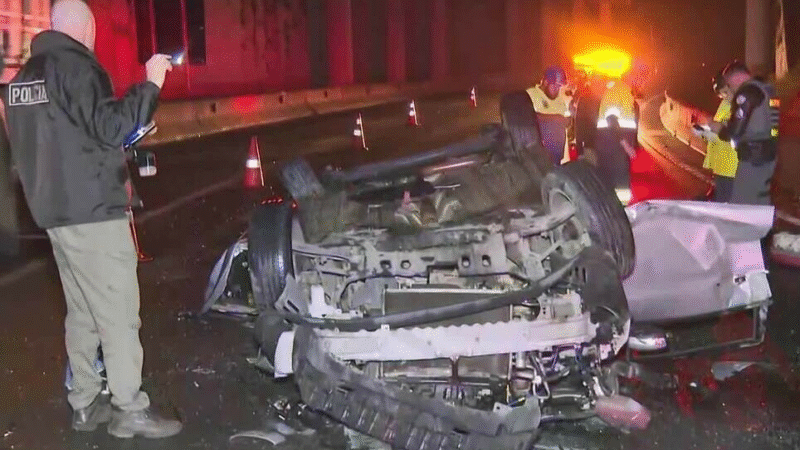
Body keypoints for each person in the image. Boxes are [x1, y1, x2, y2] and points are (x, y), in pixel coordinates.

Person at [2, 0, 182, 439]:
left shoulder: (21, 81)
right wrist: (150, 84)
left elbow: (54, 140)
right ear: (86, 29)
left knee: (82, 311)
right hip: (93, 213)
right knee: (118, 312)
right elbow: (111, 126)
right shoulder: (79, 68)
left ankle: (84, 402)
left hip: (53, 215)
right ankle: (128, 407)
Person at [714, 60, 780, 205]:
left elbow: (735, 131)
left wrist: (718, 129)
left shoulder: (747, 92)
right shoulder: (767, 89)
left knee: (741, 204)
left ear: (735, 78)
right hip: (768, 155)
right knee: (760, 199)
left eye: (729, 84)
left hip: (752, 157)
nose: (731, 89)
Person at [594, 71, 639, 204]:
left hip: (613, 145)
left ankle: (616, 208)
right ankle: (620, 210)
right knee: (619, 184)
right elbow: (611, 119)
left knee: (613, 183)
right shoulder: (619, 91)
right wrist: (626, 145)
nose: (641, 83)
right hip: (613, 145)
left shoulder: (623, 91)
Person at [694, 71, 738, 202]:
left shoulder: (740, 107)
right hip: (721, 166)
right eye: (721, 94)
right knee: (719, 202)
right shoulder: (725, 104)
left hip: (732, 168)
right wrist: (704, 132)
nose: (724, 96)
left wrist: (712, 129)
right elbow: (719, 130)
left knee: (726, 205)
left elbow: (731, 131)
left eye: (726, 92)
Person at [527, 66, 575, 165]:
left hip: (556, 157)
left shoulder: (559, 99)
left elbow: (565, 122)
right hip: (537, 157)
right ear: (545, 82)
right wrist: (555, 119)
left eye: (559, 86)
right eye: (555, 86)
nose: (557, 90)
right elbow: (527, 117)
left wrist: (569, 120)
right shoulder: (531, 95)